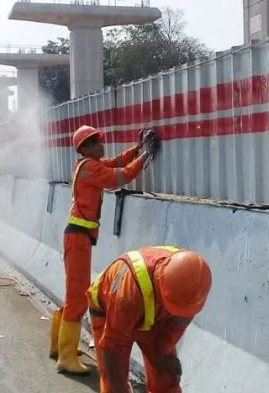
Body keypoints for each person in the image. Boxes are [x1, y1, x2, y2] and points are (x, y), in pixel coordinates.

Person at [51, 126, 159, 375]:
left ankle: (59, 346)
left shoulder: (88, 164)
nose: (102, 146)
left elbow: (117, 162)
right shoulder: (90, 167)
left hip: (79, 237)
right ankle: (66, 358)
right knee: (78, 296)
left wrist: (138, 147)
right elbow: (117, 177)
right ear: (85, 148)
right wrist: (144, 157)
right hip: (78, 238)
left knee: (73, 293)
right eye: (96, 142)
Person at [87, 246, 212, 393]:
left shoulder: (190, 284)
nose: (180, 315)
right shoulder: (129, 293)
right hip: (109, 311)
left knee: (166, 376)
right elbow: (111, 347)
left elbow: (175, 326)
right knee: (113, 381)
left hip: (151, 314)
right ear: (161, 284)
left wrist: (163, 352)